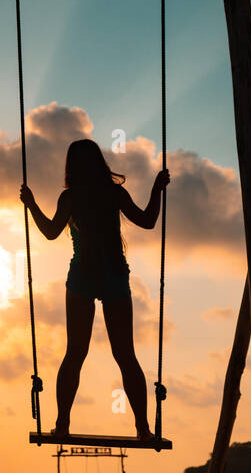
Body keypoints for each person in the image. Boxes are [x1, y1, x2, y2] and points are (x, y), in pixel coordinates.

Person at [20, 139, 170, 440]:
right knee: (124, 355)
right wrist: (157, 189)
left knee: (75, 353)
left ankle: (63, 424)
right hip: (112, 275)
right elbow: (149, 221)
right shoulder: (112, 193)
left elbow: (50, 232)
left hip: (84, 278)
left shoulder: (71, 197)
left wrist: (31, 204)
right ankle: (142, 428)